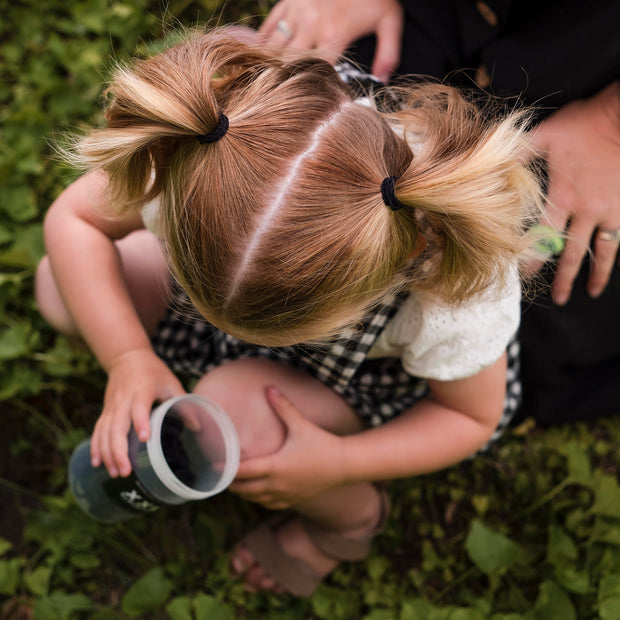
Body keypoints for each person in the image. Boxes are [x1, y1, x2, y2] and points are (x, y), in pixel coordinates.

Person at [36, 28, 544, 595]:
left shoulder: (446, 280)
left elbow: (469, 418)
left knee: (229, 410)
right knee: (59, 285)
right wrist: (126, 356)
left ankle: (348, 522)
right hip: (254, 281)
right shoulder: (215, 150)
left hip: (353, 386)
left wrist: (341, 463)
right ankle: (175, 355)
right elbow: (73, 221)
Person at [260, 0, 620, 424]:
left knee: (549, 291)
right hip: (430, 19)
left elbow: (470, 415)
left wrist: (609, 128)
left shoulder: (467, 312)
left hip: (592, 75)